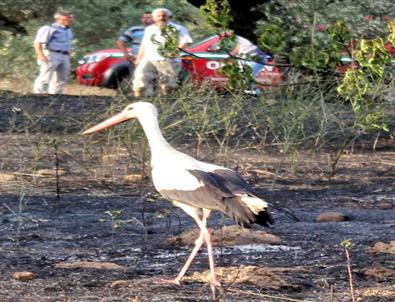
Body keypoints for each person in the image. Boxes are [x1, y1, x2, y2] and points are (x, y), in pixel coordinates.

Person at [132, 8, 193, 97]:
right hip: (149, 58)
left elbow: (186, 42)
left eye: (164, 15)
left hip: (168, 59)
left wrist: (174, 52)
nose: (161, 18)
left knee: (168, 83)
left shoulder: (178, 28)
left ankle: (168, 103)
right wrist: (138, 58)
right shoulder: (149, 29)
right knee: (140, 76)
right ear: (153, 18)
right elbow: (144, 44)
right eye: (159, 16)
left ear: (168, 16)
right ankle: (143, 98)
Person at [33, 9, 74, 94]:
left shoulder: (68, 30)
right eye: (68, 18)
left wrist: (68, 55)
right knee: (46, 75)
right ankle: (40, 94)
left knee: (62, 77)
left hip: (64, 55)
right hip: (52, 53)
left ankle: (57, 96)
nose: (70, 20)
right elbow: (38, 42)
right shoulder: (49, 28)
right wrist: (40, 54)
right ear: (59, 19)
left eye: (71, 18)